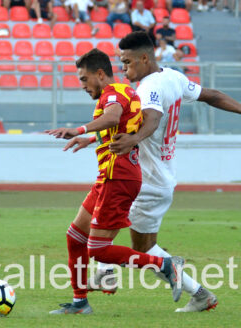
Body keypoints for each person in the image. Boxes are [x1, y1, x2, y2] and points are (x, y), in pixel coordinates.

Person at [89, 31, 241, 312]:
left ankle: (104, 272)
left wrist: (134, 139)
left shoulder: (149, 88)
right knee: (142, 245)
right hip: (161, 180)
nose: (123, 69)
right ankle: (201, 296)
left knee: (107, 235)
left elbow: (153, 119)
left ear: (144, 58)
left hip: (144, 180)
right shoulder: (174, 77)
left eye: (126, 62)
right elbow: (213, 95)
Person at [45, 48, 184, 315]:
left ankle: (166, 266)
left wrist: (80, 129)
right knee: (75, 237)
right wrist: (91, 139)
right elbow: (120, 126)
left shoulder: (113, 94)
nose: (83, 86)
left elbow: (111, 117)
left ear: (100, 74)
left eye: (85, 80)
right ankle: (79, 303)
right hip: (110, 176)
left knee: (97, 249)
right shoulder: (123, 92)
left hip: (118, 178)